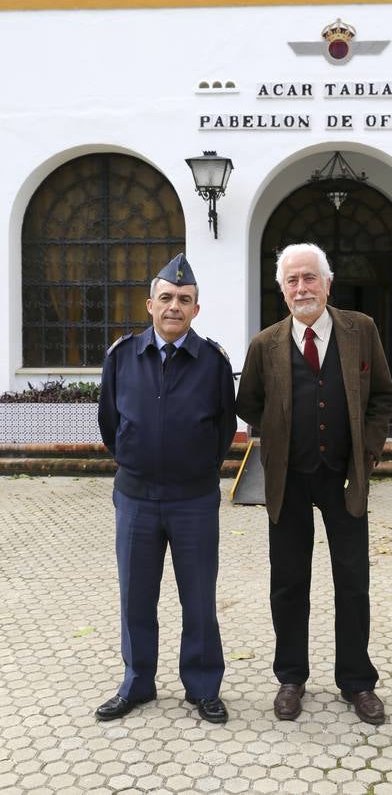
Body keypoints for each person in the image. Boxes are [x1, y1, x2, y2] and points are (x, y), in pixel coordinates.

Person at [236, 243, 392, 724]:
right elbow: (249, 404)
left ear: (327, 283)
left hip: (344, 479)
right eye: (292, 280)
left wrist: (365, 453)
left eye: (310, 278)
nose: (301, 288)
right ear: (281, 289)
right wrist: (283, 430)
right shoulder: (266, 344)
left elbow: (383, 396)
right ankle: (291, 678)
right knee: (287, 583)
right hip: (289, 479)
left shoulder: (360, 331)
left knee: (353, 583)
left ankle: (357, 681)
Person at [96, 253, 236, 723]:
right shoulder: (122, 357)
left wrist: (193, 469)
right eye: (167, 298)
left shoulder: (213, 361)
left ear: (196, 309)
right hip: (135, 497)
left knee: (198, 597)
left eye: (185, 299)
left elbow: (222, 428)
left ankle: (202, 686)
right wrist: (140, 460)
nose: (174, 306)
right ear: (149, 304)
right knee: (136, 595)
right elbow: (110, 425)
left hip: (193, 500)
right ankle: (137, 683)